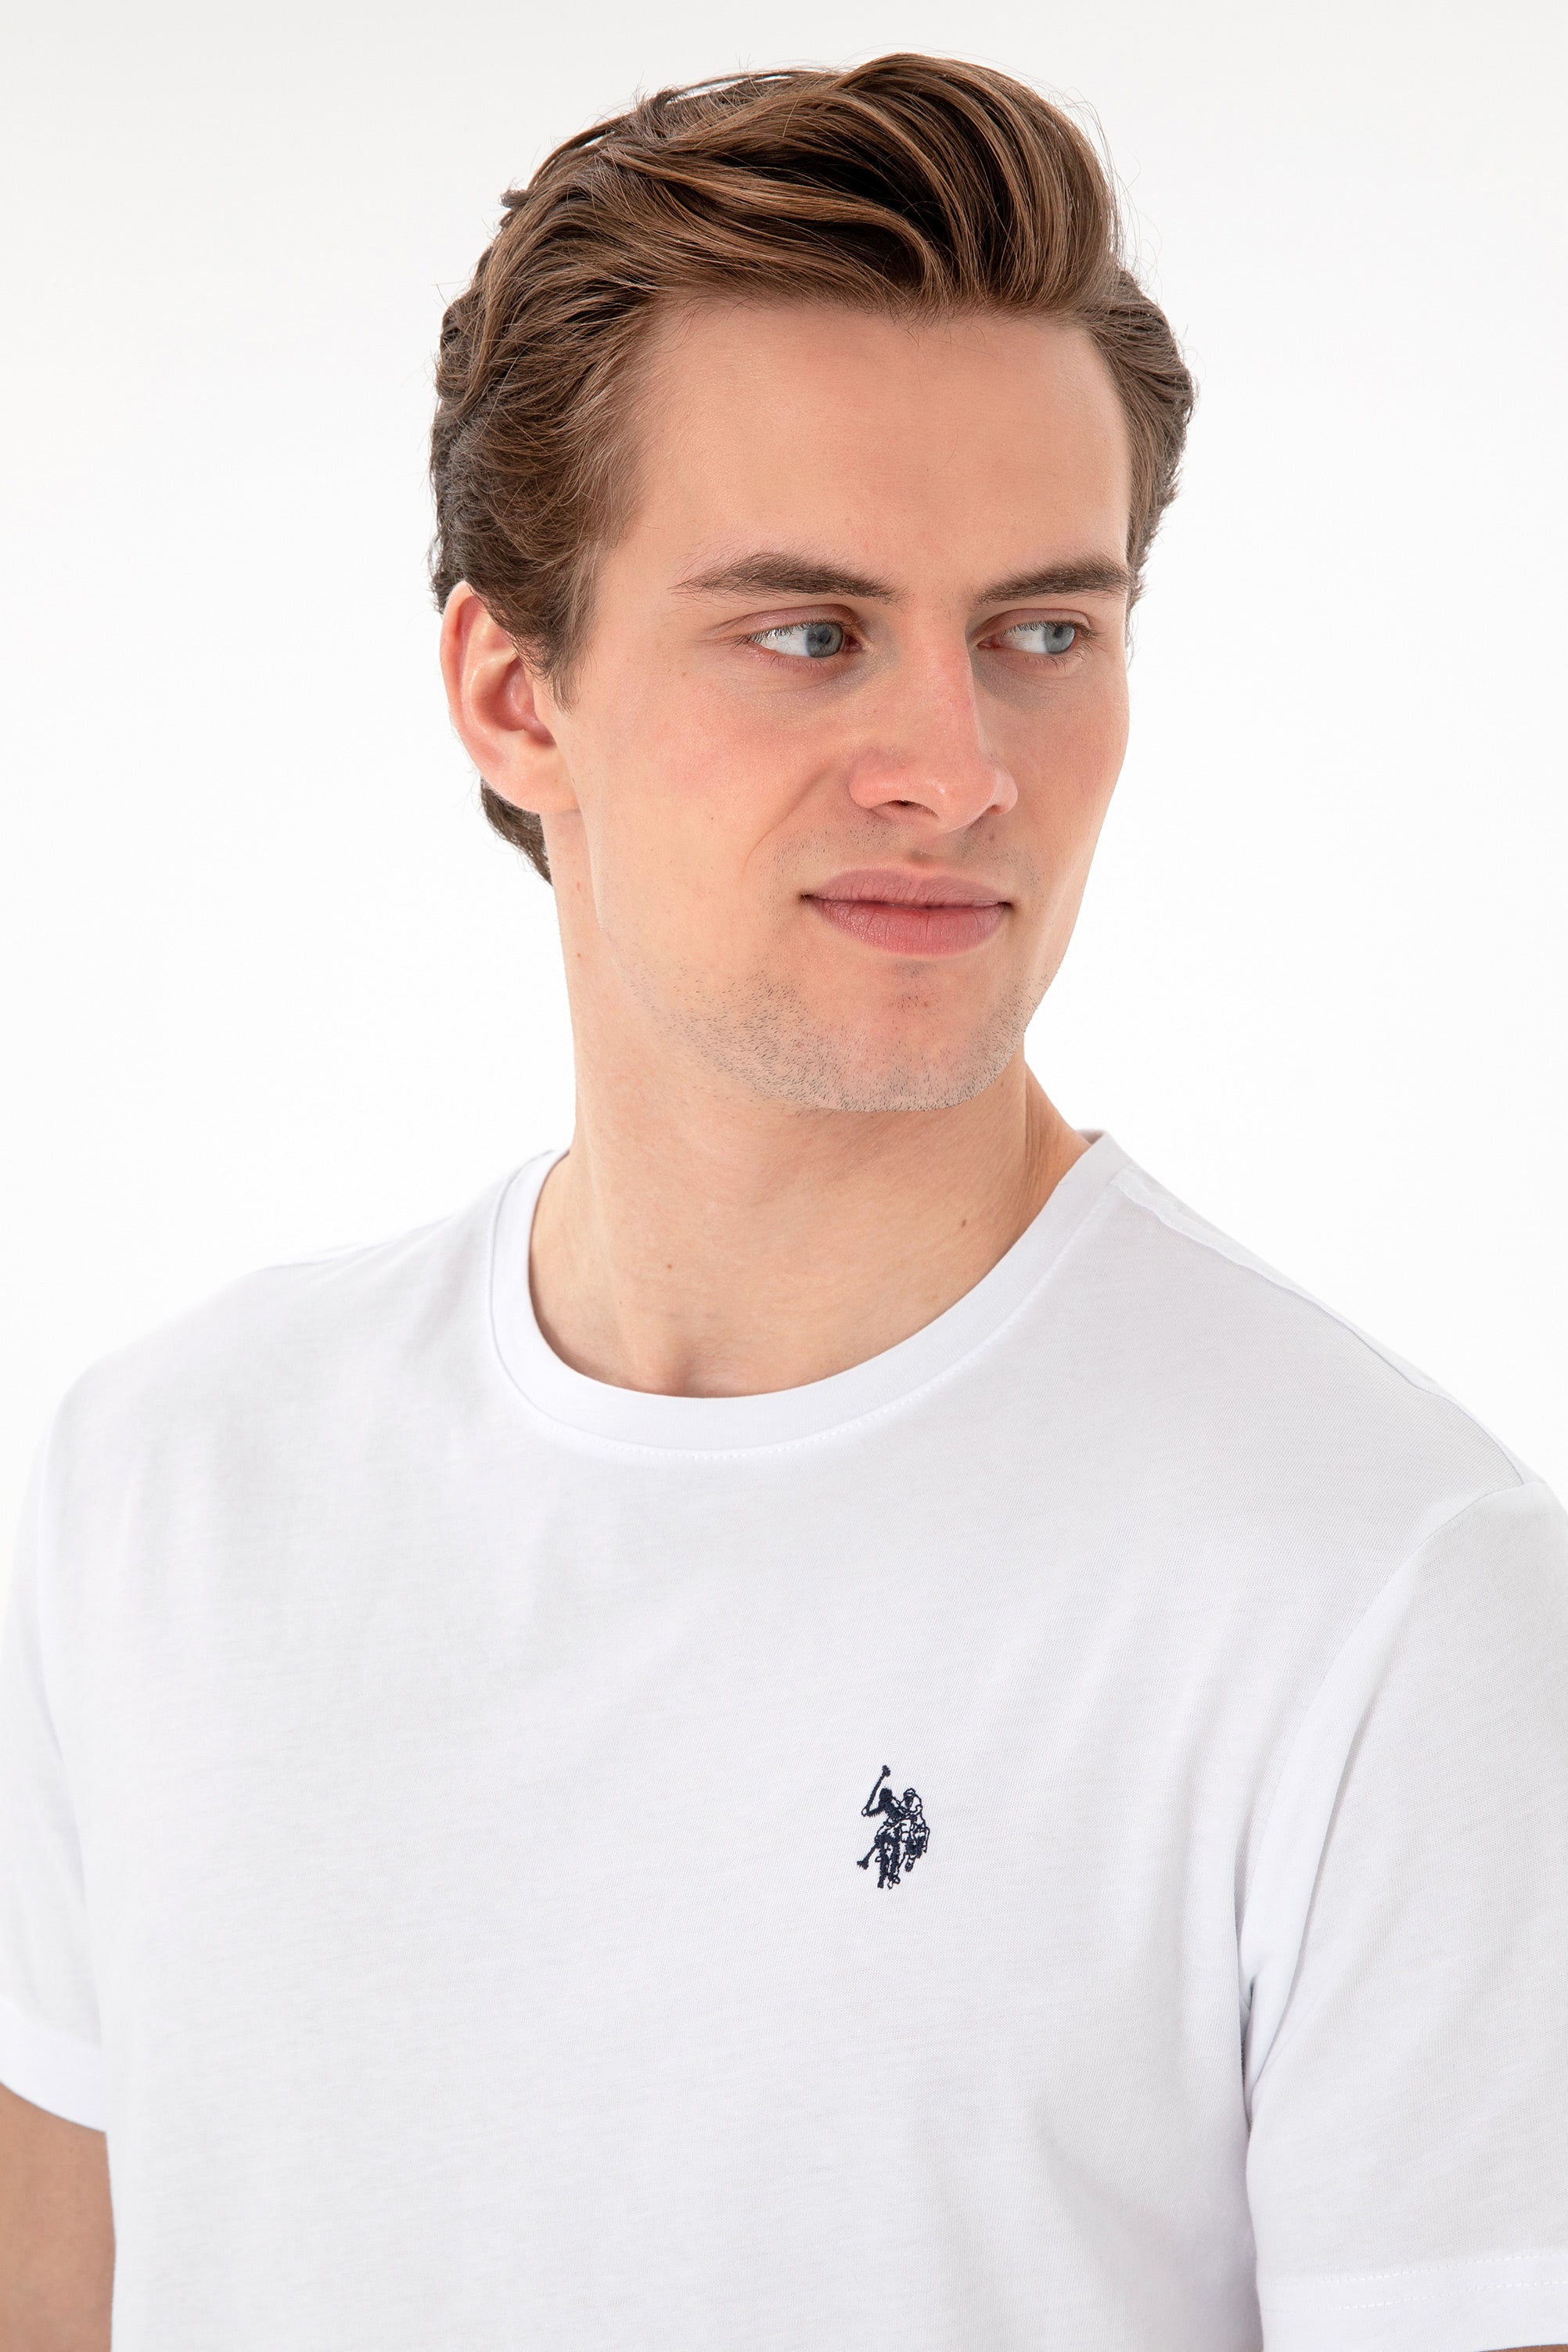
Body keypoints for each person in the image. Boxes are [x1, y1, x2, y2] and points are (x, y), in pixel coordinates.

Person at [0, 52, 1563, 2352]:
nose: (956, 767)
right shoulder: (158, 1492)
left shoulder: (1384, 1596)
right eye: (810, 631)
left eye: (1042, 630)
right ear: (512, 691)